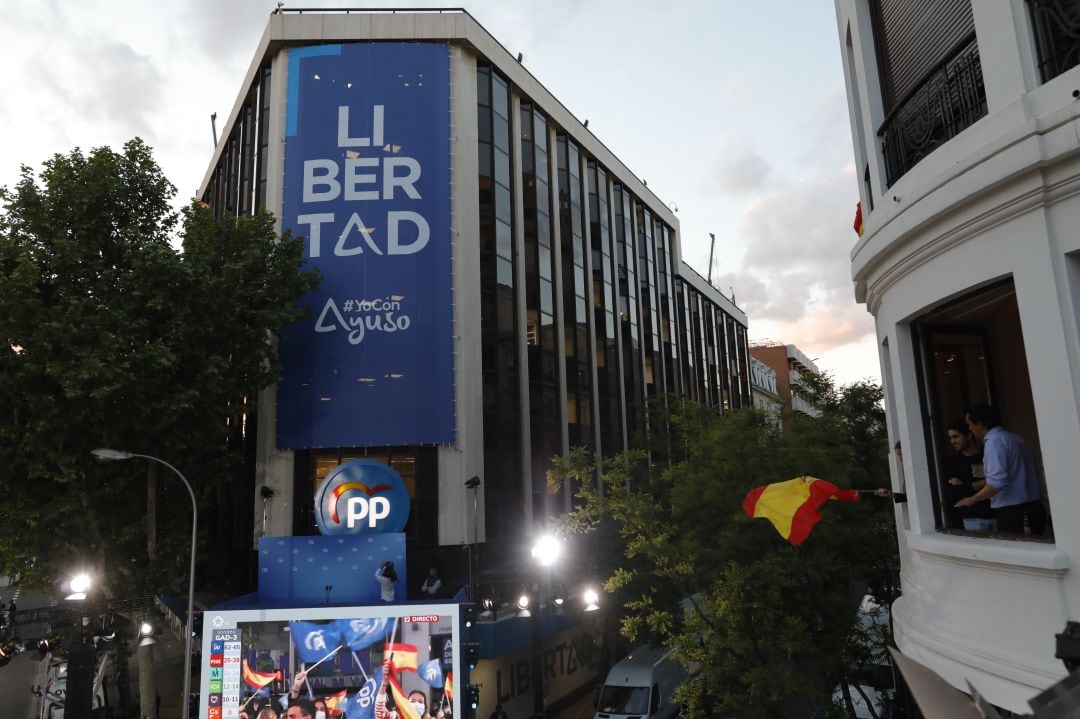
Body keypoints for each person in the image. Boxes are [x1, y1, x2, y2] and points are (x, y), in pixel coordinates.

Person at [955, 404, 1046, 535]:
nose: (969, 429)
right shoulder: (1014, 438)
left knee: (1016, 552)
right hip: (1033, 507)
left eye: (970, 424)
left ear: (980, 424)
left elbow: (996, 484)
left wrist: (972, 499)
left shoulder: (994, 442)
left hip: (1013, 512)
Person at [943, 419, 995, 532]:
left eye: (956, 437)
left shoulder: (988, 453)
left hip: (997, 514)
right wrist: (984, 482)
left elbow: (1000, 483)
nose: (952, 441)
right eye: (950, 438)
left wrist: (965, 485)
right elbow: (953, 493)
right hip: (972, 519)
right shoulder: (954, 462)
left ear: (969, 436)